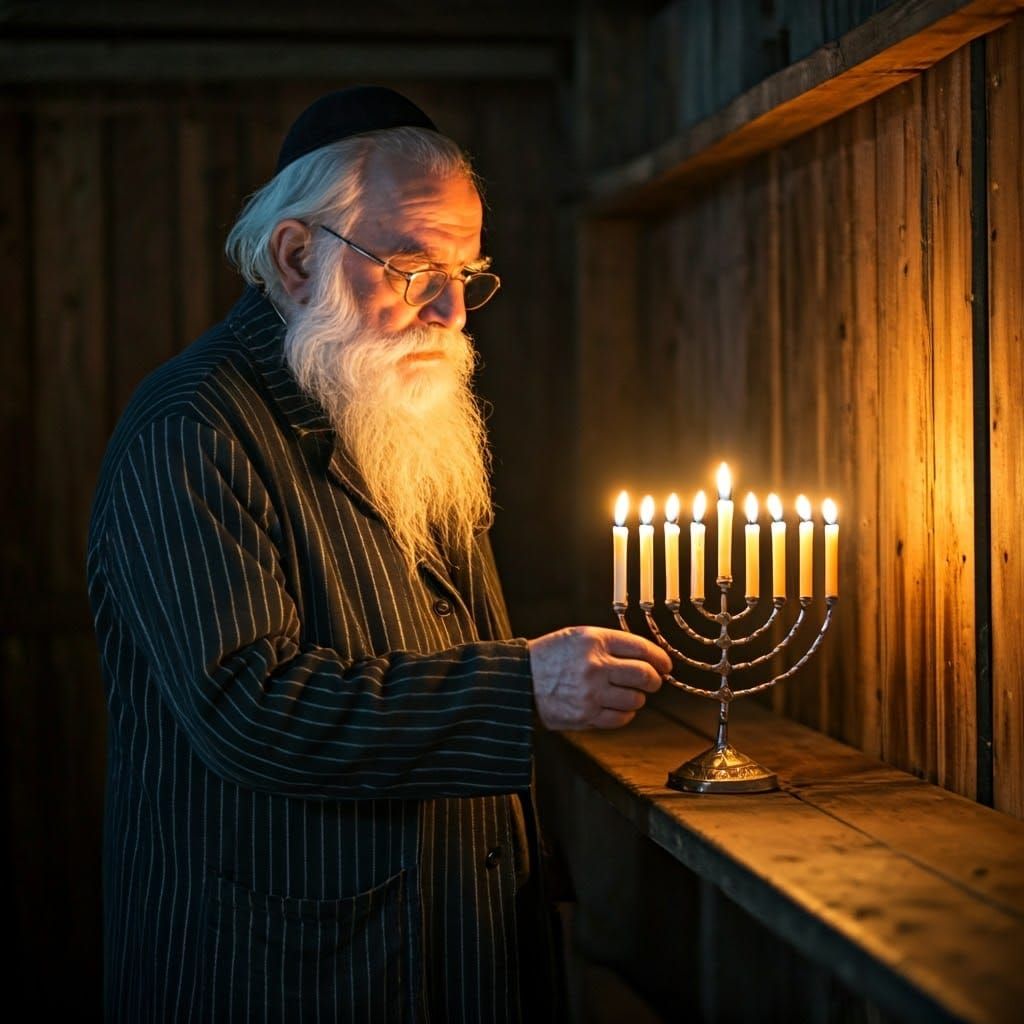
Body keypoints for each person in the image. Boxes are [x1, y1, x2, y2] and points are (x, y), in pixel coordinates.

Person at [86, 85, 670, 1023]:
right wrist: (518, 687)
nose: (452, 311)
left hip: (459, 942)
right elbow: (247, 709)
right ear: (296, 257)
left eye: (467, 274)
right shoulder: (192, 428)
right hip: (287, 974)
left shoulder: (393, 400)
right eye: (412, 267)